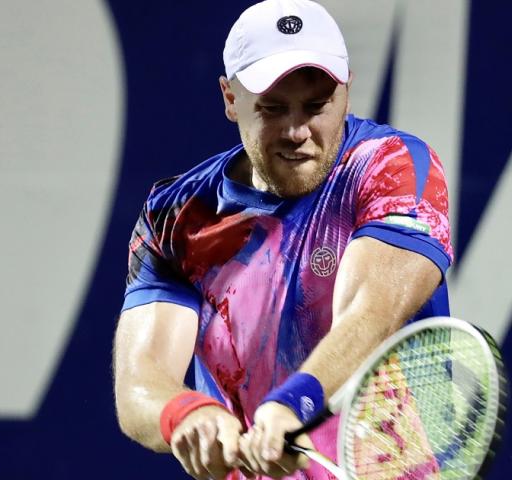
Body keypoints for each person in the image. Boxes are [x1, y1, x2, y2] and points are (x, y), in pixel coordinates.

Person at [112, 0, 452, 479]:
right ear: (230, 99)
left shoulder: (394, 167)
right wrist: (187, 415)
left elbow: (371, 312)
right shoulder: (178, 215)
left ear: (347, 90)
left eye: (317, 106)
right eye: (272, 109)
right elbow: (141, 379)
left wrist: (296, 402)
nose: (297, 131)